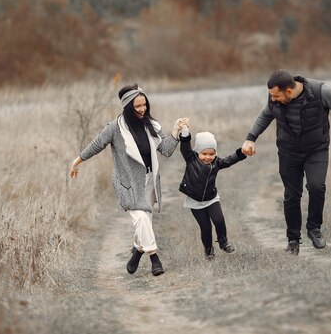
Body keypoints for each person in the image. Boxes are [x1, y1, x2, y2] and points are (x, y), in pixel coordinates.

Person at [241, 70, 331, 255]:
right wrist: (250, 138)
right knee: (292, 196)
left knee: (316, 186)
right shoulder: (274, 98)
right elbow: (264, 116)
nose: (273, 100)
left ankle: (314, 229)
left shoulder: (320, 92)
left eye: (276, 96)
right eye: (271, 96)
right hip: (288, 152)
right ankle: (293, 241)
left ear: (289, 92)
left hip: (316, 150)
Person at [69, 84, 187, 276]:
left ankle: (136, 254)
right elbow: (97, 145)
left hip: (148, 181)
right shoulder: (116, 128)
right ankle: (154, 257)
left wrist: (176, 131)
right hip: (128, 183)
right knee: (141, 217)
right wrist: (76, 162)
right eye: (138, 107)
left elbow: (166, 150)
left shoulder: (151, 125)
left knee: (145, 222)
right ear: (128, 108)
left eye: (144, 105)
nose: (142, 110)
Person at [178, 125, 247, 260]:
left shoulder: (216, 162)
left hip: (211, 198)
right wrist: (185, 132)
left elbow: (229, 160)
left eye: (212, 154)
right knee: (206, 228)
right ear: (197, 152)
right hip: (195, 201)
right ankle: (209, 252)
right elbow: (185, 147)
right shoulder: (191, 158)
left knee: (219, 220)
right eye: (204, 154)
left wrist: (241, 153)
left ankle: (223, 243)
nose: (208, 157)